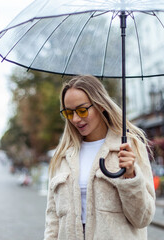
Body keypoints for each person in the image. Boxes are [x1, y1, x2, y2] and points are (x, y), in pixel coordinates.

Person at [44, 75, 156, 239]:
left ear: (100, 105)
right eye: (69, 113)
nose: (75, 119)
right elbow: (52, 221)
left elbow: (142, 218)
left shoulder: (129, 146)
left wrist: (131, 175)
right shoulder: (63, 156)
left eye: (82, 110)